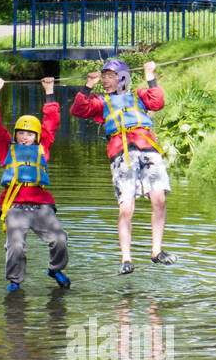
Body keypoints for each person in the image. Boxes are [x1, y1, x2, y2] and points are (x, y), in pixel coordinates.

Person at [70, 59, 176, 274]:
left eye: (110, 76)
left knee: (159, 199)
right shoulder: (101, 101)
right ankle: (126, 259)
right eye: (104, 76)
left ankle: (156, 251)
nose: (106, 80)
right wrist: (88, 85)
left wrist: (150, 77)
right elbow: (78, 109)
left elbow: (157, 102)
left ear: (123, 77)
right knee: (126, 207)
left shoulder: (138, 95)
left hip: (147, 147)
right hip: (122, 152)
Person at [0, 76, 70, 291]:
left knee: (60, 238)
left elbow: (52, 120)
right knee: (16, 245)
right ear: (15, 134)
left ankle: (55, 269)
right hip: (15, 205)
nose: (24, 137)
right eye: (21, 133)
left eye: (29, 134)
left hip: (41, 205)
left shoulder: (44, 147)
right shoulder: (6, 147)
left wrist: (49, 91)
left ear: (37, 136)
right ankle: (15, 282)